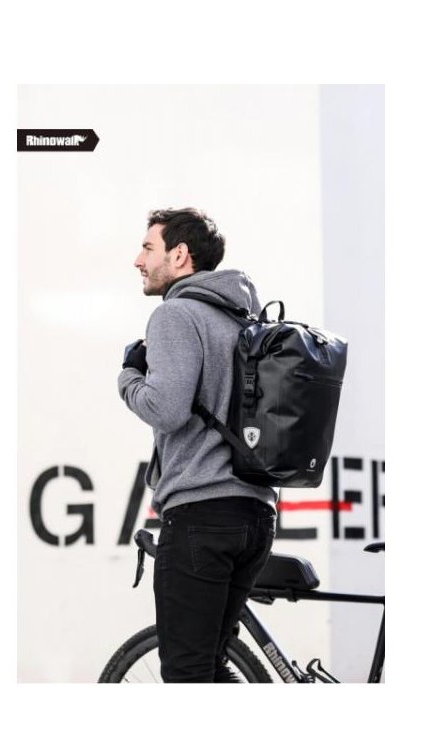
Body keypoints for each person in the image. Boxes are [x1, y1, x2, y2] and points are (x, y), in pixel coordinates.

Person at [118, 207, 278, 683]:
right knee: (211, 665)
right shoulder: (244, 321)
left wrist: (129, 375)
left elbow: (166, 410)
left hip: (200, 516)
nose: (138, 260)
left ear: (180, 255)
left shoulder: (175, 315)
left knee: (188, 673)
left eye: (148, 248)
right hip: (255, 514)